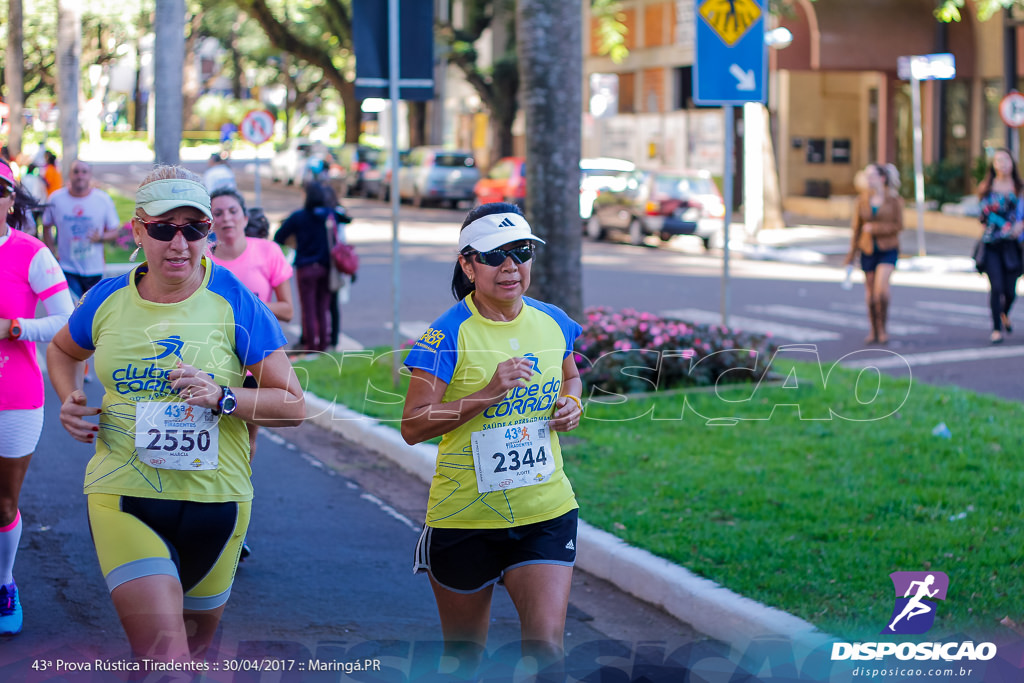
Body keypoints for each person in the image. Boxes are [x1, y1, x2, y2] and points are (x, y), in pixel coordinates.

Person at [46, 165, 305, 662]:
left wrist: (222, 396)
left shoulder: (235, 300)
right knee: (165, 657)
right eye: (164, 228)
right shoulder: (106, 299)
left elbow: (292, 405)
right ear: (138, 231)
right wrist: (69, 397)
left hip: (219, 500)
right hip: (123, 493)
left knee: (193, 656)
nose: (180, 243)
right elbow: (62, 351)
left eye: (195, 229)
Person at [401, 203, 584, 675]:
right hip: (466, 518)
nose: (511, 266)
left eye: (521, 252)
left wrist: (571, 404)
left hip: (546, 510)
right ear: (467, 264)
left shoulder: (553, 322)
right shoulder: (445, 335)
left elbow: (570, 378)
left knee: (545, 650)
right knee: (465, 661)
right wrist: (487, 393)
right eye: (494, 255)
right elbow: (413, 425)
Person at [0, 159, 75, 635]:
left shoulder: (31, 252)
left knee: (4, 504)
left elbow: (65, 319)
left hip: (15, 394)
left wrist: (14, 327)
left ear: (11, 199)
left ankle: (4, 583)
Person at [208, 186, 294, 453]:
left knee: (246, 441)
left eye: (233, 211)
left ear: (245, 218)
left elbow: (287, 310)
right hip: (211, 359)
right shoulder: (202, 260)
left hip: (256, 363)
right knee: (210, 437)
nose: (226, 218)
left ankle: (240, 492)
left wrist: (248, 308)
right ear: (209, 222)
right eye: (218, 213)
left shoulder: (268, 252)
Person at [42, 159, 122, 301]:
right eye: (76, 171)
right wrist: (51, 252)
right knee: (73, 308)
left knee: (92, 309)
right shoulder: (56, 199)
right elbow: (46, 225)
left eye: (84, 172)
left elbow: (115, 232)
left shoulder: (102, 199)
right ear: (69, 175)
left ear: (90, 175)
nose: (80, 175)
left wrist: (101, 237)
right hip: (67, 268)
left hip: (94, 268)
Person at [844, 163, 904, 345]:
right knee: (870, 294)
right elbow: (856, 228)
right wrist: (851, 255)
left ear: (882, 178)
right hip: (868, 249)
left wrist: (875, 228)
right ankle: (874, 330)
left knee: (881, 292)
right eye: (866, 176)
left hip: (888, 249)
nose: (868, 180)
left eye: (872, 176)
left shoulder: (894, 200)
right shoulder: (861, 200)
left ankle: (883, 327)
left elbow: (898, 225)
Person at [273, 182, 335, 353]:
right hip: (325, 267)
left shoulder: (298, 216)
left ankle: (311, 346)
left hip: (306, 267)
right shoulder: (329, 215)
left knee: (308, 309)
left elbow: (279, 236)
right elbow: (346, 220)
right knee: (322, 308)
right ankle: (323, 345)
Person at [977, 148, 1024, 344]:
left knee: (1010, 291)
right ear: (993, 165)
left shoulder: (1019, 188)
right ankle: (996, 329)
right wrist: (1002, 225)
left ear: (1012, 163)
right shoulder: (987, 187)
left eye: (1006, 160)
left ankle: (1004, 314)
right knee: (996, 287)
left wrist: (1019, 226)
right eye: (998, 160)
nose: (1003, 164)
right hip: (992, 244)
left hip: (1013, 245)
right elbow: (982, 215)